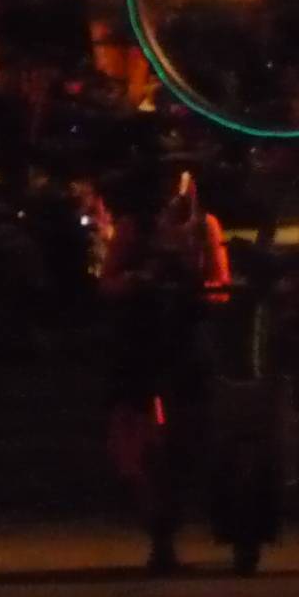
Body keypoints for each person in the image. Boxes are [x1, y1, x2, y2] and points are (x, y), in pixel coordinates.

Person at [102, 165, 231, 573]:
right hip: (142, 339)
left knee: (191, 426)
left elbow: (219, 282)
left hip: (186, 336)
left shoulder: (204, 226)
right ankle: (158, 524)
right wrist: (140, 280)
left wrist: (199, 287)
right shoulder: (133, 227)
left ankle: (175, 516)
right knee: (138, 430)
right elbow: (109, 281)